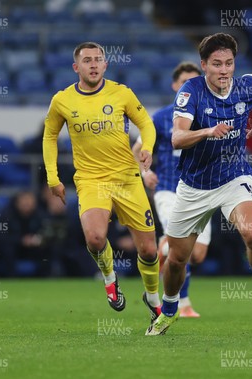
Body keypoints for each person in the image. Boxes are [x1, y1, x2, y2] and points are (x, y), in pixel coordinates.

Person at [146, 33, 252, 335]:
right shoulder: (191, 92)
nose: (224, 70)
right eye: (217, 64)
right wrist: (207, 131)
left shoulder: (247, 85)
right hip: (194, 186)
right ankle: (170, 308)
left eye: (229, 63)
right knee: (177, 259)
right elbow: (177, 137)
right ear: (204, 65)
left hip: (234, 177)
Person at [42, 42, 161, 325]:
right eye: (87, 60)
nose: (93, 64)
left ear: (105, 65)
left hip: (127, 179)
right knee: (95, 238)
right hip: (91, 180)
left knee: (148, 250)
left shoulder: (122, 93)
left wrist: (148, 147)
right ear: (76, 67)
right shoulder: (62, 100)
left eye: (98, 60)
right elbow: (49, 137)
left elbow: (146, 123)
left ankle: (153, 298)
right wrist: (52, 177)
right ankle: (110, 279)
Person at [132, 61, 208, 318]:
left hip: (202, 191)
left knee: (197, 254)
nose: (189, 86)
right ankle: (180, 303)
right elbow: (138, 147)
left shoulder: (209, 113)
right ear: (175, 85)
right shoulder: (162, 117)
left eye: (194, 81)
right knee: (181, 246)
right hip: (168, 188)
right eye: (184, 82)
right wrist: (144, 172)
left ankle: (160, 252)